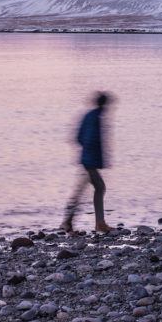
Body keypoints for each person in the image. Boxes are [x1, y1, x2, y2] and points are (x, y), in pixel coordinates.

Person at [60, 92, 116, 234]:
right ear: (104, 104)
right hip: (90, 161)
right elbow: (93, 140)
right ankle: (99, 223)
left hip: (87, 160)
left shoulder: (89, 115)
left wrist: (88, 156)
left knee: (81, 191)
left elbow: (78, 137)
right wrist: (95, 160)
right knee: (100, 187)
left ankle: (68, 221)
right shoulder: (96, 117)